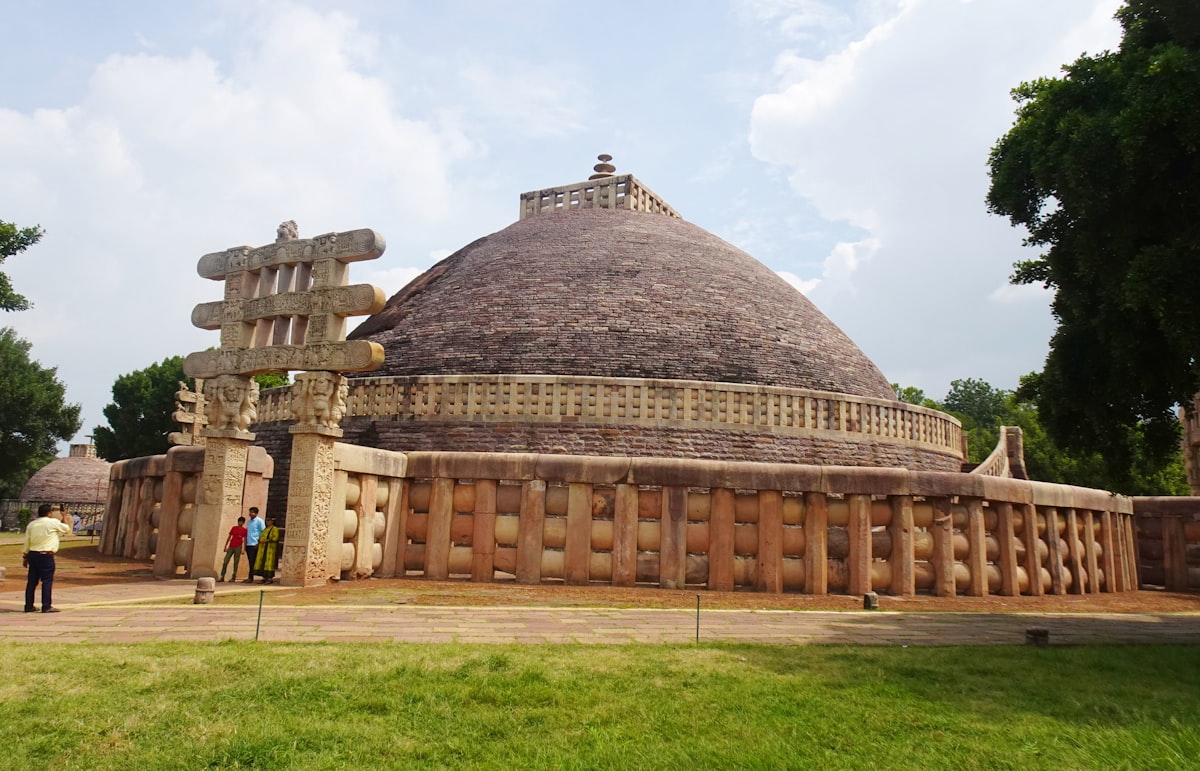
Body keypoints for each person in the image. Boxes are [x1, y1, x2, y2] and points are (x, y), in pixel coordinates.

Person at [22, 503, 72, 613]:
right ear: (49, 513)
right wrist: (64, 516)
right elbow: (66, 528)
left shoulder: (32, 524)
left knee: (31, 582)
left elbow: (27, 541)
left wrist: (25, 556)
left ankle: (29, 605)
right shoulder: (52, 522)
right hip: (46, 555)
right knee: (47, 580)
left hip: (33, 554)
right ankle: (46, 606)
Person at [219, 516, 248, 582]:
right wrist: (225, 546)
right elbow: (229, 536)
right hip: (231, 546)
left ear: (243, 523)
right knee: (225, 561)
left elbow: (245, 539)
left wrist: (244, 549)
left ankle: (233, 576)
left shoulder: (244, 530)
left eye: (241, 522)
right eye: (239, 521)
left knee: (236, 562)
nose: (240, 523)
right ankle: (222, 576)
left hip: (238, 546)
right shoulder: (234, 528)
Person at [253, 517, 281, 584]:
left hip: (270, 549)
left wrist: (266, 541)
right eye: (267, 521)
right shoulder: (265, 529)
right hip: (262, 548)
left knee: (269, 563)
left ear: (272, 522)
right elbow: (261, 537)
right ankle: (264, 577)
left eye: (269, 521)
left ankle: (269, 578)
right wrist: (258, 543)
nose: (267, 522)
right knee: (262, 563)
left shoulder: (274, 529)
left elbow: (275, 538)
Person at [242, 507, 265, 583]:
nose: (250, 514)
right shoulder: (249, 522)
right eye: (250, 512)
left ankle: (252, 577)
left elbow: (263, 532)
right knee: (250, 561)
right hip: (249, 543)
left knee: (254, 561)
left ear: (256, 513)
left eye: (252, 512)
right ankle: (250, 577)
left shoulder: (259, 521)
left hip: (255, 544)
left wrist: (258, 543)